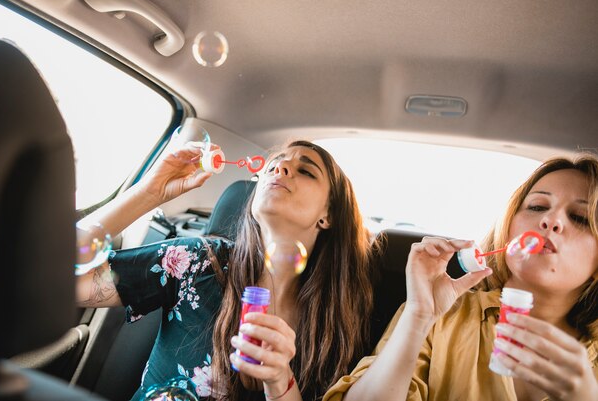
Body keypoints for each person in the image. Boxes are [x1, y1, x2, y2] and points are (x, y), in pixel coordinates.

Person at [76, 139, 374, 401]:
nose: (280, 169)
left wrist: (279, 380)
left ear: (329, 215)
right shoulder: (197, 261)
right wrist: (149, 192)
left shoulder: (334, 325)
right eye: (275, 164)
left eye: (306, 170)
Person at [324, 154, 598, 401]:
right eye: (538, 206)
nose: (551, 221)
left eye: (580, 217)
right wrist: (418, 317)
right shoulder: (442, 314)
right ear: (510, 225)